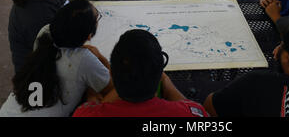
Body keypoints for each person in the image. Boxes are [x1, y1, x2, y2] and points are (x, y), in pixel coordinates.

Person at [0, 0, 113, 117]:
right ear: (89, 36)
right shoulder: (84, 59)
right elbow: (115, 88)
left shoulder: (45, 32)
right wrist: (101, 58)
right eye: (97, 18)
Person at [73, 29, 208, 117]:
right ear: (158, 77)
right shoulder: (193, 114)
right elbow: (191, 108)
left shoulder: (84, 113)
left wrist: (93, 90)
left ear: (112, 75)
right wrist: (166, 82)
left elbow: (96, 105)